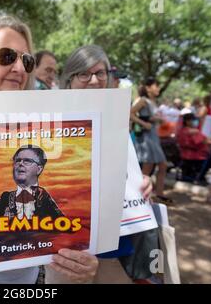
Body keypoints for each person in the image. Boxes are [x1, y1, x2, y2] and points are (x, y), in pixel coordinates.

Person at [0, 15, 98, 284]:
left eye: (27, 61)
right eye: (7, 56)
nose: (20, 68)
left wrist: (128, 189)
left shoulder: (48, 133)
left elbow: (66, 236)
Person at [60, 44, 154, 283]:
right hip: (67, 246)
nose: (94, 80)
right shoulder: (50, 120)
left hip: (113, 242)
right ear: (69, 80)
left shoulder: (118, 120)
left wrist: (143, 183)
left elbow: (129, 172)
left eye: (100, 73)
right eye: (84, 74)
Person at [0, 145, 64, 220]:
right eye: (17, 161)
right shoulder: (5, 198)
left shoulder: (43, 197)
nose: (20, 164)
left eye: (27, 161)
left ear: (39, 169)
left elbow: (64, 224)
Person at [130, 77, 170, 205]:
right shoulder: (143, 101)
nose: (158, 88)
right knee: (147, 168)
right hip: (146, 138)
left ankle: (159, 194)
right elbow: (130, 113)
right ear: (148, 87)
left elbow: (148, 117)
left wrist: (155, 120)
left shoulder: (153, 102)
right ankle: (138, 197)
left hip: (153, 136)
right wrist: (144, 123)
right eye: (155, 85)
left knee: (162, 165)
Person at [177, 113, 211, 182]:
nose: (195, 122)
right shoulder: (193, 131)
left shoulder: (182, 130)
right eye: (193, 120)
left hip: (185, 155)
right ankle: (200, 177)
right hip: (196, 155)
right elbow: (203, 141)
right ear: (187, 121)